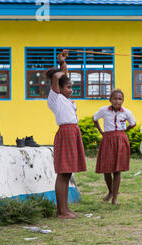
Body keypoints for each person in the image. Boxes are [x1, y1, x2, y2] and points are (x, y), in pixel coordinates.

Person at [46, 49, 86, 219]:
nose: (71, 90)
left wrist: (63, 62)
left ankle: (65, 208)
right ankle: (61, 211)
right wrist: (60, 70)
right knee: (63, 172)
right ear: (59, 89)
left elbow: (62, 76)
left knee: (68, 172)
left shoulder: (66, 99)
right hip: (66, 134)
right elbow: (56, 78)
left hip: (73, 132)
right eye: (68, 87)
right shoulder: (55, 98)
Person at [93, 89, 136, 205]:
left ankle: (115, 198)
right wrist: (101, 131)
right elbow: (94, 118)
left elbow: (133, 123)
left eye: (120, 99)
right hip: (107, 140)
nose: (117, 101)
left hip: (121, 141)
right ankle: (110, 191)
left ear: (123, 100)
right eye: (115, 99)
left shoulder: (126, 112)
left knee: (117, 170)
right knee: (106, 169)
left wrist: (124, 131)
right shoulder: (104, 110)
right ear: (110, 100)